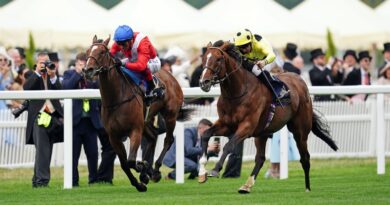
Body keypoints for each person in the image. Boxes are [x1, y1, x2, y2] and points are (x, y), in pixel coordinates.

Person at [23, 52, 63, 188]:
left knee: (46, 150)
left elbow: (61, 91)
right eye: (42, 62)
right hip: (39, 117)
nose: (45, 65)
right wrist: (38, 73)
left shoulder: (53, 77)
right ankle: (42, 181)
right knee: (42, 150)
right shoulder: (32, 75)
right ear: (36, 63)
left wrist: (53, 76)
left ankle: (37, 180)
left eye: (46, 62)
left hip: (52, 117)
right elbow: (26, 88)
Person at [62, 52, 102, 186]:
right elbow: (66, 87)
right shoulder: (69, 74)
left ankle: (93, 180)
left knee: (93, 154)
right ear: (76, 64)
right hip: (75, 122)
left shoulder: (92, 75)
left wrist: (88, 75)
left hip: (90, 121)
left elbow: (98, 87)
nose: (83, 66)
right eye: (80, 64)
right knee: (73, 155)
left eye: (84, 64)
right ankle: (73, 181)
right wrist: (78, 73)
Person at [110, 25, 163, 105]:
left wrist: (123, 64)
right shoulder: (122, 40)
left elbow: (141, 66)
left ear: (131, 40)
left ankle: (152, 87)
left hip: (151, 61)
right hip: (134, 58)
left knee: (144, 68)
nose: (121, 47)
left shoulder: (142, 42)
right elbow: (111, 52)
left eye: (123, 44)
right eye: (118, 43)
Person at [233, 29, 288, 100]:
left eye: (246, 46)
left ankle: (279, 89)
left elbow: (272, 55)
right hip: (254, 61)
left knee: (257, 70)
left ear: (251, 42)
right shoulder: (237, 47)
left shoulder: (259, 44)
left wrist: (264, 62)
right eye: (241, 48)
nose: (244, 50)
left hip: (268, 59)